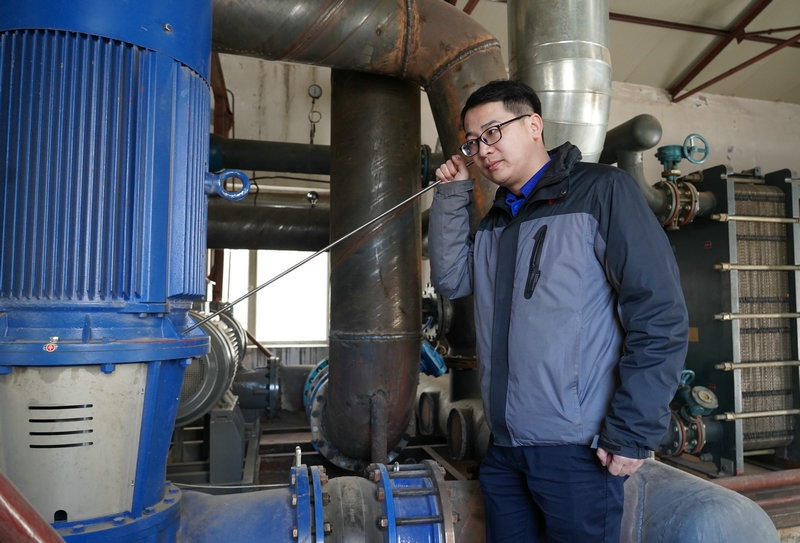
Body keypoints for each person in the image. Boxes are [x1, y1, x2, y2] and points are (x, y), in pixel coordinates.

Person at [428, 79, 689, 542]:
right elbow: (451, 280)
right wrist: (451, 195)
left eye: (492, 132)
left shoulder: (601, 192)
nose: (482, 150)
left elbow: (658, 313)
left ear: (534, 125)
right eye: (472, 142)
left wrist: (633, 429)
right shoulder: (497, 221)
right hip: (504, 448)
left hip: (578, 450)